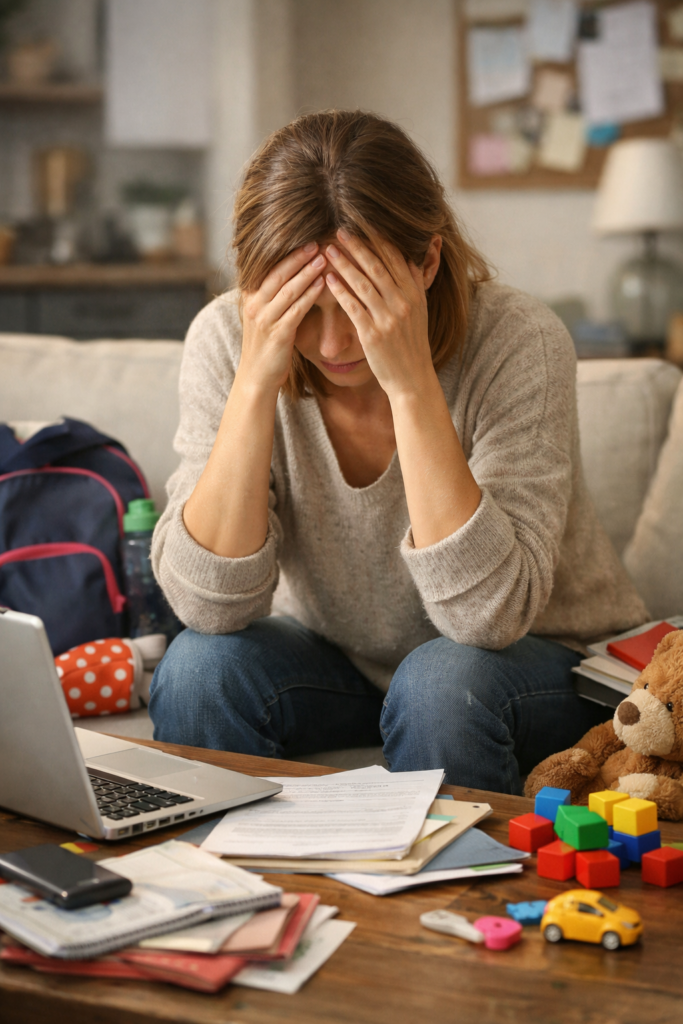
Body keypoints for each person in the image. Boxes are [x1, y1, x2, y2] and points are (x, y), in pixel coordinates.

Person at [149, 109, 647, 793]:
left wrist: (411, 384)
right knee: (197, 669)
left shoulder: (516, 339)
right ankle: (234, 896)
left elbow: (487, 618)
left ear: (427, 261)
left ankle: (453, 900)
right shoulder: (227, 336)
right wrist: (256, 379)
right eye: (304, 310)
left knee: (440, 683)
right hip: (339, 661)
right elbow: (209, 610)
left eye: (357, 304)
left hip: (528, 662)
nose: (331, 347)